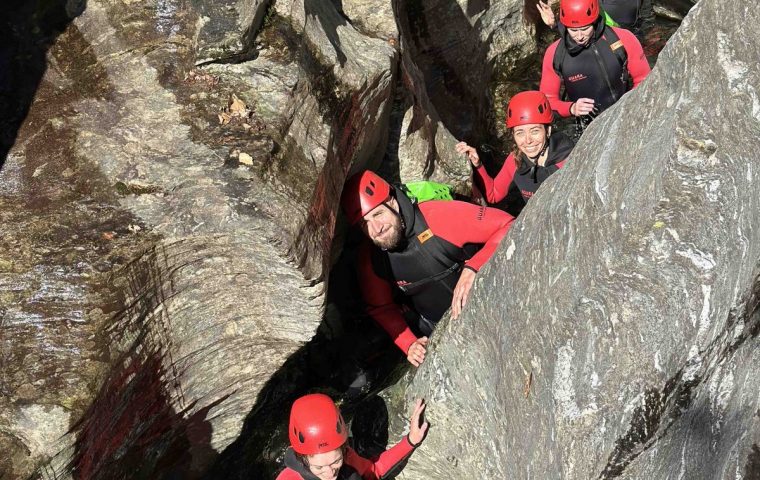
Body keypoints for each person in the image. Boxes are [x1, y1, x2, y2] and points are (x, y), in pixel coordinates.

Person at [341, 170, 514, 367]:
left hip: (491, 301)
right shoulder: (372, 259)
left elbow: (509, 224)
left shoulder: (436, 216)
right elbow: (382, 308)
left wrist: (474, 267)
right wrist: (409, 343)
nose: (376, 229)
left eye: (378, 214)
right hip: (439, 328)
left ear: (392, 202)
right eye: (365, 224)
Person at [539, 0, 651, 133]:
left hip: (627, 115)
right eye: (573, 30)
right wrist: (571, 108)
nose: (579, 36)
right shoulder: (555, 54)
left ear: (595, 21)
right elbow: (546, 101)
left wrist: (631, 106)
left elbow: (645, 79)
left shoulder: (622, 39)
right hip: (587, 130)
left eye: (585, 28)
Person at [456, 90, 575, 207]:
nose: (528, 140)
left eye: (535, 131)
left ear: (548, 131)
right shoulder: (515, 160)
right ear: (513, 135)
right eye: (520, 133)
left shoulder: (569, 159)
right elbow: (493, 195)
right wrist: (478, 164)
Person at [277, 393, 428, 480]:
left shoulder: (349, 459)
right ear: (302, 458)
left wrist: (410, 440)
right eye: (319, 467)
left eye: (336, 461)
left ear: (344, 449)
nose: (330, 474)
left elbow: (374, 470)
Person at [535, 0, 652, 40]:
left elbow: (646, 12)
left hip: (628, 33)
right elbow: (579, 31)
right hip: (604, 34)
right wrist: (554, 25)